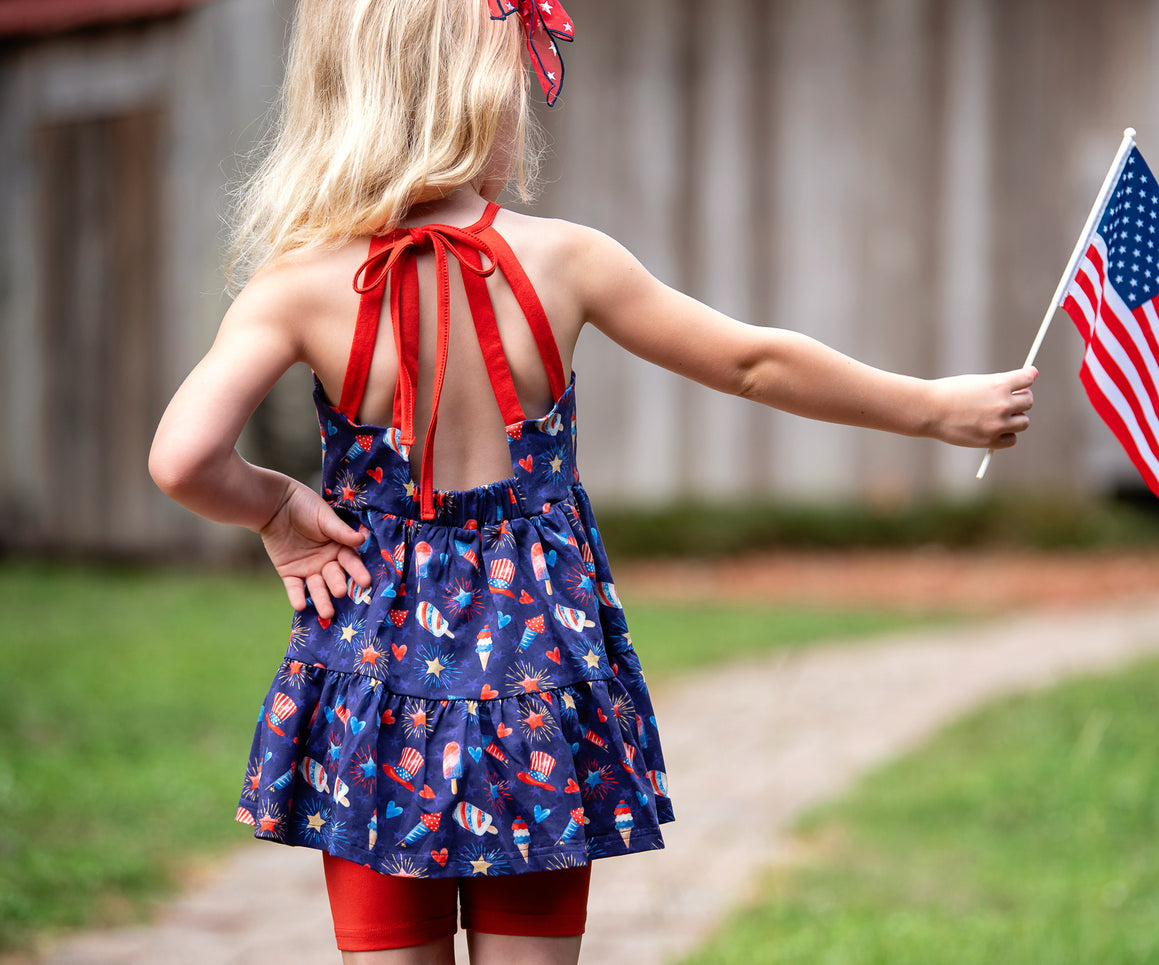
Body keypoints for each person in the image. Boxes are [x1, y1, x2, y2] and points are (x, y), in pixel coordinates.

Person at [147, 1, 1036, 963]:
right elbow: (750, 362)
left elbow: (182, 459)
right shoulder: (564, 261)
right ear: (480, 86)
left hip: (375, 675)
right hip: (536, 674)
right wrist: (934, 406)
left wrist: (276, 507)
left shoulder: (299, 284)